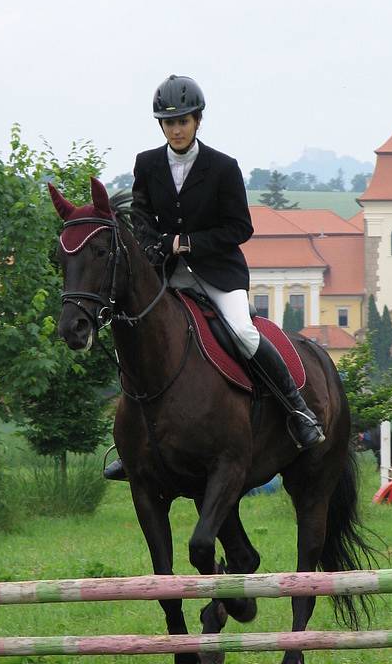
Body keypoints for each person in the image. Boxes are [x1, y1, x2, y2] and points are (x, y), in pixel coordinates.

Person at [104, 75, 324, 481]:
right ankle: (129, 445)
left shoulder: (223, 167)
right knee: (133, 342)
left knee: (243, 333)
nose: (176, 128)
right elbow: (141, 219)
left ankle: (297, 410)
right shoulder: (147, 163)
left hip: (218, 273)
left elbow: (239, 228)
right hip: (166, 277)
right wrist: (155, 246)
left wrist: (186, 243)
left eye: (183, 121)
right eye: (168, 123)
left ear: (197, 121)